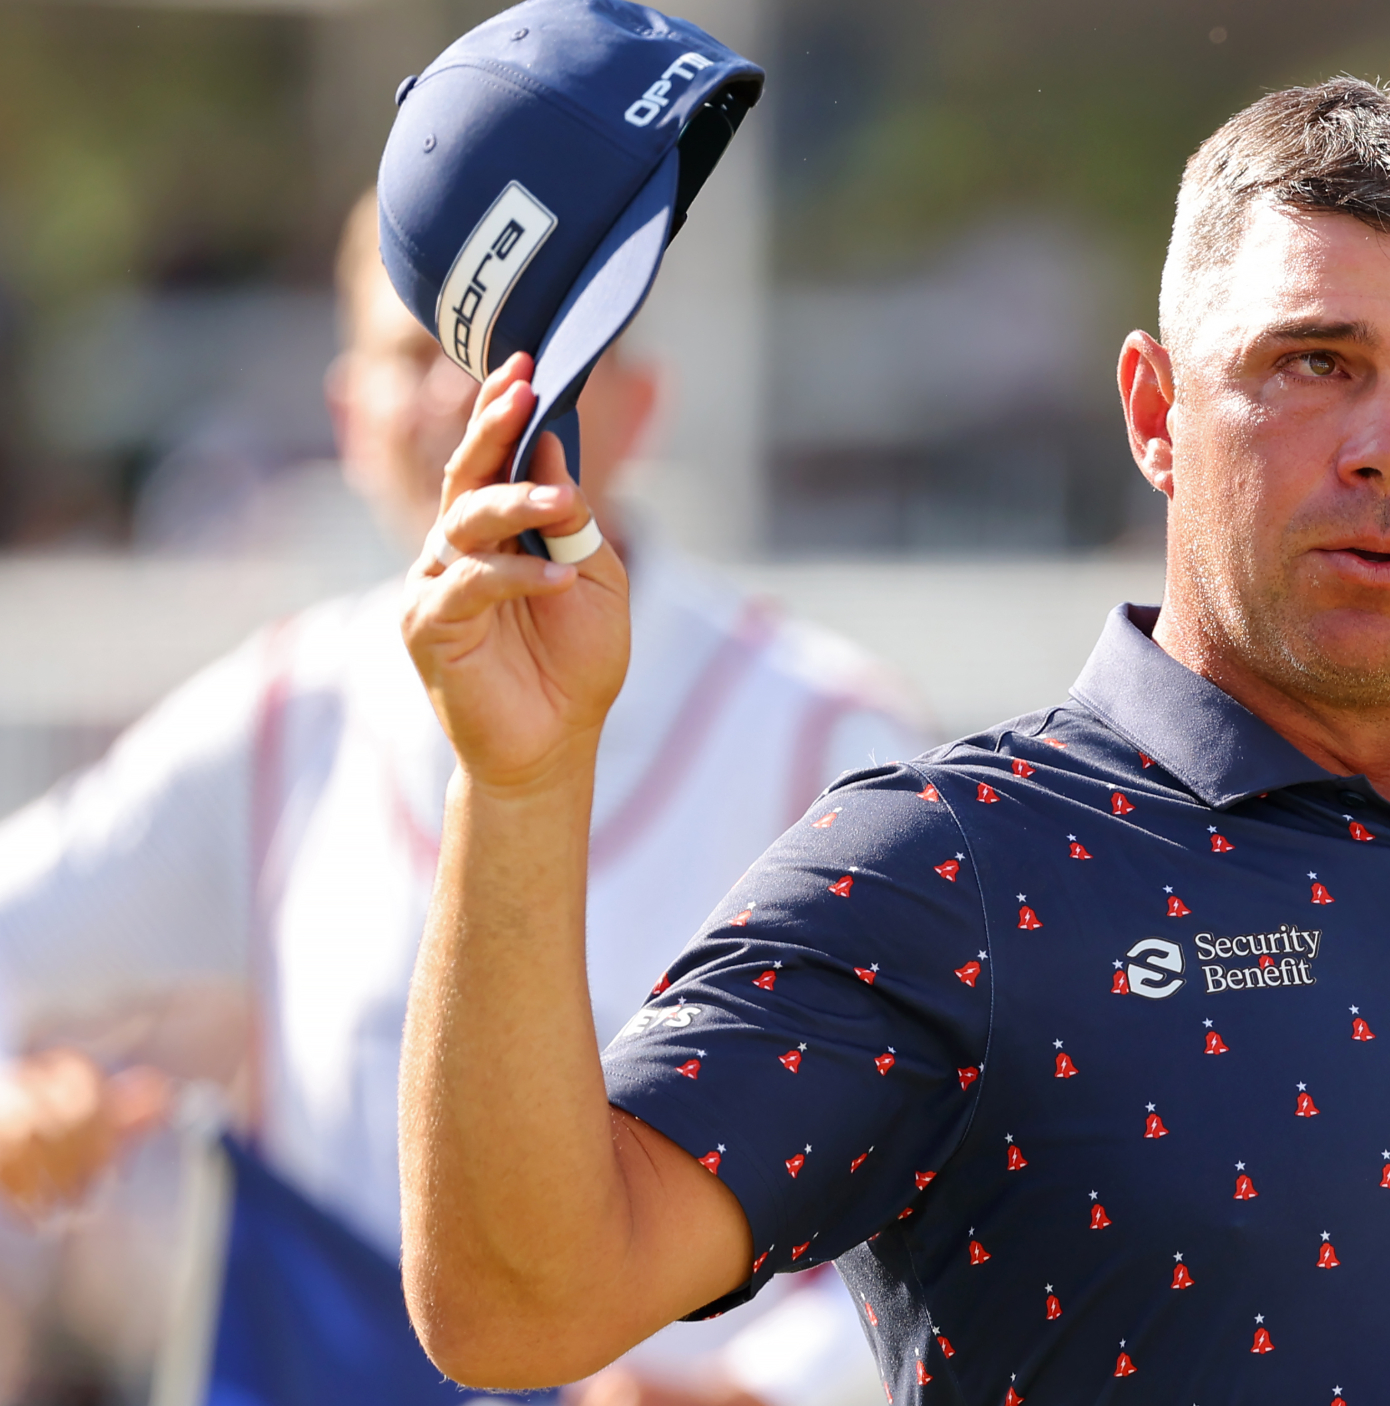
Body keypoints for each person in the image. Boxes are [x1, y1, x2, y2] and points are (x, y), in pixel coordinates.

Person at [399, 76, 1390, 1404]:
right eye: (1314, 361)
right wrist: (519, 782)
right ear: (1154, 411)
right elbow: (518, 1305)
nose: (1389, 444)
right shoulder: (946, 870)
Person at [0, 191, 914, 1406]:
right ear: (347, 417)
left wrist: (762, 1387)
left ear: (635, 402)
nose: (466, 401)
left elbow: (974, 1151)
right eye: (415, 352)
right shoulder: (283, 713)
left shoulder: (823, 734)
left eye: (519, 356)